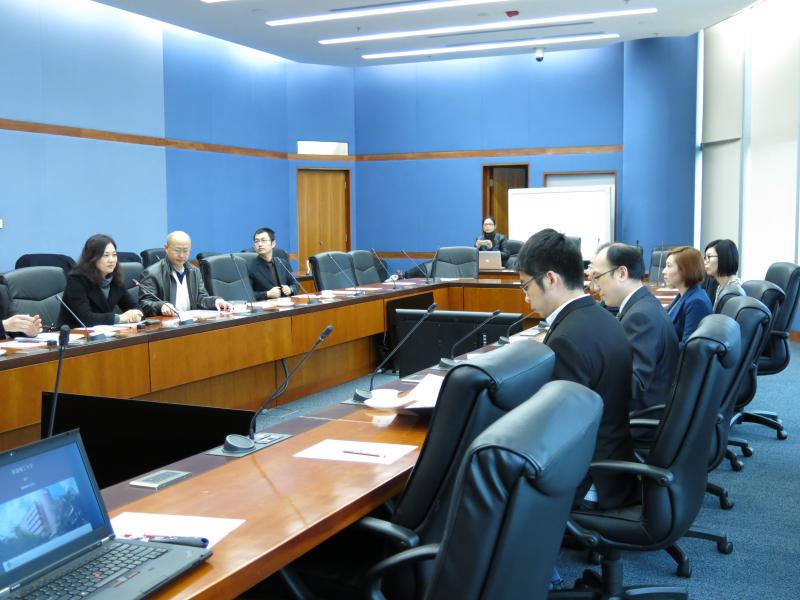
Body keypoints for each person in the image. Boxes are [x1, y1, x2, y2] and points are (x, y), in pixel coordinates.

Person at [517, 229, 635, 510]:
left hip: (591, 481)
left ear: (550, 279)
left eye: (525, 286)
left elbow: (559, 431)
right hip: (615, 462)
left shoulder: (567, 338)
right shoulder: (604, 317)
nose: (525, 298)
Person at [590, 243, 679, 412]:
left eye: (598, 276)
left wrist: (591, 367)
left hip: (640, 417)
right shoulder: (643, 304)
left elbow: (634, 385)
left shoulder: (641, 317)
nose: (595, 286)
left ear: (621, 273)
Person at [138, 230, 232, 316]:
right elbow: (144, 304)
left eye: (185, 251)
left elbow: (200, 299)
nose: (181, 255)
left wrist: (215, 301)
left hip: (190, 324)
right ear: (166, 248)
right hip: (166, 325)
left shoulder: (194, 271)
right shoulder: (152, 273)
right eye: (177, 250)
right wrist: (161, 306)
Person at [59, 234, 143, 327]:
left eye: (114, 255)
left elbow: (133, 306)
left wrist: (136, 314)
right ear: (92, 258)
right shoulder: (77, 280)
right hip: (75, 335)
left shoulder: (114, 278)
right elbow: (86, 318)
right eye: (105, 255)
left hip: (105, 334)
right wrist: (120, 318)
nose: (111, 260)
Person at [663, 246, 712, 349]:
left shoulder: (696, 302)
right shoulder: (684, 294)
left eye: (668, 266)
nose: (664, 271)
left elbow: (688, 348)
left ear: (685, 270)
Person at [249, 228, 298, 300]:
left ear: (273, 243)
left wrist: (290, 289)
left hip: (285, 305)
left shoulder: (282, 263)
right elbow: (247, 294)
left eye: (263, 240)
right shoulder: (250, 267)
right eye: (257, 241)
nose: (260, 244)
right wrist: (267, 294)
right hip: (265, 308)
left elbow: (295, 284)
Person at [704, 239, 745, 310]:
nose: (705, 262)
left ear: (723, 258)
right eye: (705, 258)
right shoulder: (721, 286)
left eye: (709, 257)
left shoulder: (733, 293)